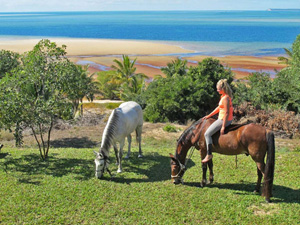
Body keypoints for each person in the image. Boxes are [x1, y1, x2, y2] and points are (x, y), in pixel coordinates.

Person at [202, 79, 234, 163]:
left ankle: (209, 154)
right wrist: (209, 116)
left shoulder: (225, 98)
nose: (217, 90)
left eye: (218, 89)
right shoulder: (223, 96)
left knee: (207, 134)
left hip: (223, 119)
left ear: (223, 89)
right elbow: (219, 108)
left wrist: (223, 126)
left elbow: (226, 112)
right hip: (222, 118)